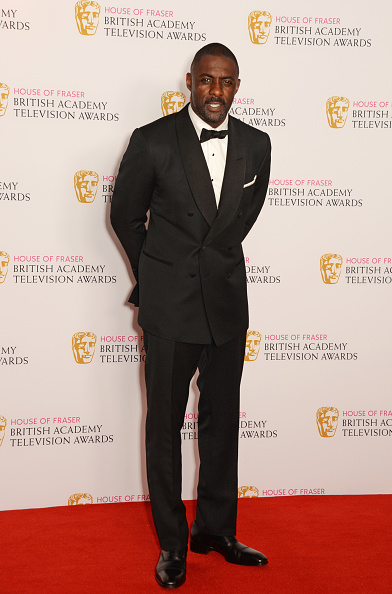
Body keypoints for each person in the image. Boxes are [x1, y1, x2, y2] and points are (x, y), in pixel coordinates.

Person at [111, 43, 271, 589]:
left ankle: (215, 531)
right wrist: (153, 277)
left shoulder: (257, 144)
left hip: (227, 305)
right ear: (189, 81)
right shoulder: (152, 140)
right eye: (206, 80)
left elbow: (238, 224)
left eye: (226, 82)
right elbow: (126, 217)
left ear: (237, 86)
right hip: (169, 308)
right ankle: (174, 545)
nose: (216, 92)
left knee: (222, 424)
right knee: (164, 428)